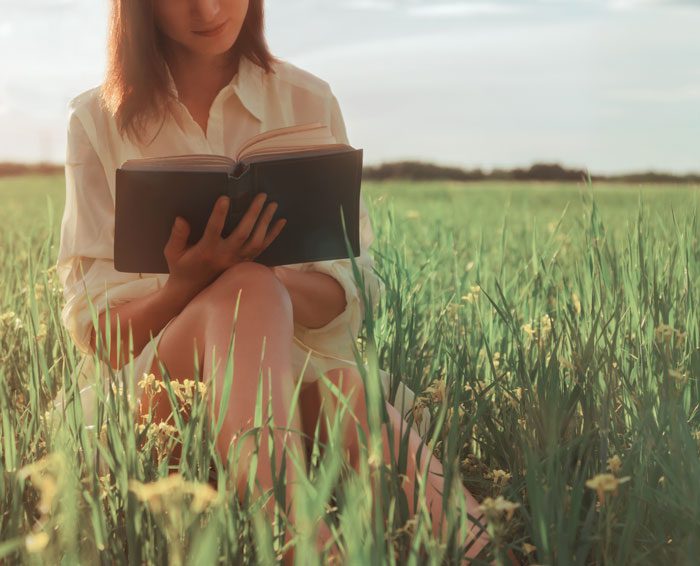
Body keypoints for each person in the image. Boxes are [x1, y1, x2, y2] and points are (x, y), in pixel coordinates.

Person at [54, 0, 495, 562]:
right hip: (164, 397)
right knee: (246, 290)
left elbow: (351, 290)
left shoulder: (308, 99)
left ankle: (486, 547)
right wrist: (188, 285)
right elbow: (98, 332)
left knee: (354, 394)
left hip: (289, 377)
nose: (208, 8)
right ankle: (291, 537)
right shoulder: (96, 119)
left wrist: (273, 276)